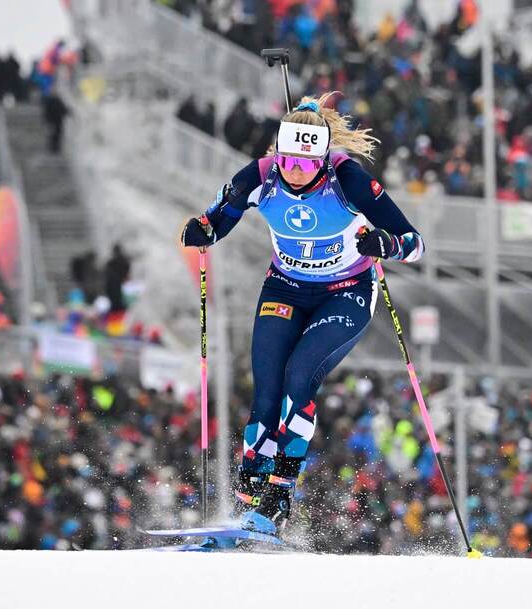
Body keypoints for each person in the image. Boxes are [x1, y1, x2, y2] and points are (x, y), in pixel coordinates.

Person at [181, 93, 425, 536]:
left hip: (345, 292)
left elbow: (414, 241)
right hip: (286, 288)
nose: (294, 171)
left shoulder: (347, 178)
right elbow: (219, 215)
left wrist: (385, 244)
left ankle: (278, 497)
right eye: (288, 159)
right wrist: (204, 230)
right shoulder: (261, 175)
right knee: (266, 394)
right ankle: (248, 498)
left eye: (305, 162)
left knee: (299, 377)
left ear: (323, 158)